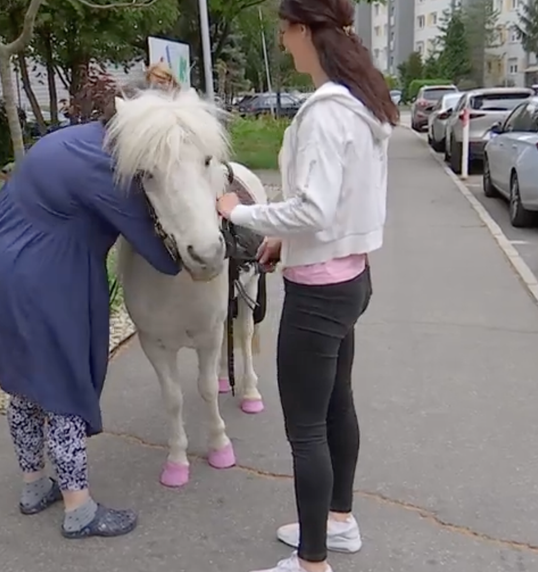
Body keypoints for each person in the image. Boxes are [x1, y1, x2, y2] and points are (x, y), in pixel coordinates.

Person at [215, 0, 397, 570]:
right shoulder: (363, 104)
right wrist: (282, 242)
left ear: (303, 32)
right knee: (336, 404)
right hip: (351, 276)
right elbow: (341, 206)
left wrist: (240, 213)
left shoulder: (324, 113)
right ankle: (338, 522)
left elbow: (315, 208)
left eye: (283, 31)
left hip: (318, 293)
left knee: (306, 430)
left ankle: (312, 562)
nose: (281, 41)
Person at [0, 110, 181, 539]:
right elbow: (160, 255)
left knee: (23, 386)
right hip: (37, 277)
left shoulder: (70, 139)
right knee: (63, 386)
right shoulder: (106, 165)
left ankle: (34, 486)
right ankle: (79, 509)